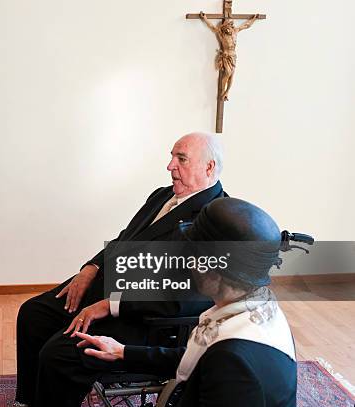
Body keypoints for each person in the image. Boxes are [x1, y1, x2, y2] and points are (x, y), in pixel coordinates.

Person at [16, 132, 227, 407]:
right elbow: (124, 239)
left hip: (143, 316)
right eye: (172, 156)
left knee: (59, 354)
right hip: (110, 283)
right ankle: (29, 401)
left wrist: (111, 304)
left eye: (181, 159)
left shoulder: (216, 219)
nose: (170, 165)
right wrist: (91, 267)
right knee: (34, 314)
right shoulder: (162, 195)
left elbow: (185, 296)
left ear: (208, 167)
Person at [76, 197, 297, 407]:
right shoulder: (257, 309)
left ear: (212, 271)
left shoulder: (233, 363)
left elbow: (216, 363)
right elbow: (197, 357)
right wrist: (122, 351)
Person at [199, 12, 259, 101]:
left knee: (232, 75)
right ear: (224, 27)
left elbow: (246, 25)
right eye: (226, 27)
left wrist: (253, 19)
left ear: (231, 26)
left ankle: (227, 92)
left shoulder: (235, 31)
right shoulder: (221, 34)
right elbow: (212, 27)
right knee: (227, 73)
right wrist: (205, 18)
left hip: (233, 56)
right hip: (226, 56)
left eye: (230, 26)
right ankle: (223, 91)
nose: (228, 29)